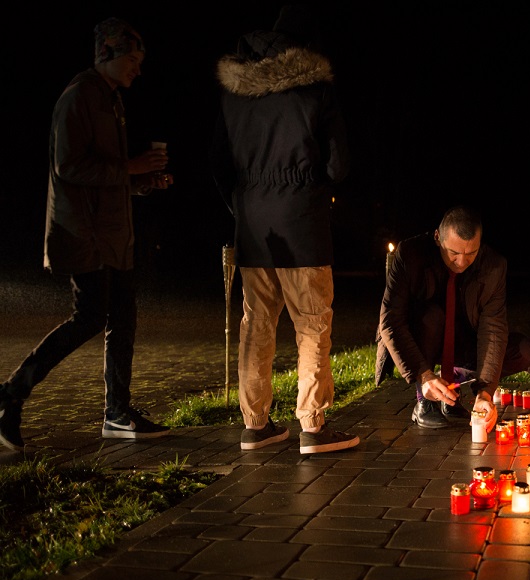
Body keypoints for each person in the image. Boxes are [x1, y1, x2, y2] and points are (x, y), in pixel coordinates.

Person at [0, 18, 173, 452]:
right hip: (87, 234)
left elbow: (104, 175)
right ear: (108, 55)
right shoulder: (79, 97)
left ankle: (117, 413)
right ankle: (12, 393)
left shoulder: (110, 99)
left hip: (113, 236)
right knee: (91, 318)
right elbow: (69, 167)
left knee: (123, 319)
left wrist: (142, 182)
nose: (138, 69)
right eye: (132, 60)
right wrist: (130, 168)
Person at [210, 4, 358, 453]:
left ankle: (255, 426)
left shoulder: (235, 95)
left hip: (254, 228)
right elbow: (338, 165)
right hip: (302, 224)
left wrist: (242, 207)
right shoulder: (316, 91)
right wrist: (312, 188)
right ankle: (312, 426)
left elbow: (218, 163)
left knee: (256, 324)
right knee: (312, 326)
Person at [376, 205, 530, 430]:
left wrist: (485, 392)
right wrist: (423, 375)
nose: (462, 262)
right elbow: (391, 320)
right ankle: (425, 400)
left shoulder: (493, 266)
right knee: (432, 316)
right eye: (453, 253)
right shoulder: (410, 255)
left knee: (522, 351)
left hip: (464, 340)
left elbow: (493, 328)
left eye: (471, 253)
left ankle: (451, 382)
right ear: (437, 237)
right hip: (422, 337)